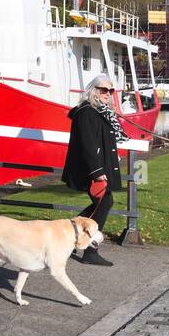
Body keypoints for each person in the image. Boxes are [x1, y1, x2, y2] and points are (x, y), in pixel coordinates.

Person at [62, 75, 126, 266]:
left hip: (100, 166)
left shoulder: (101, 111)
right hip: (91, 169)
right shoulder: (87, 112)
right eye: (103, 89)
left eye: (110, 90)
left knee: (103, 203)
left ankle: (69, 234)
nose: (107, 93)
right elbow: (88, 144)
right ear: (93, 90)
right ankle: (89, 249)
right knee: (105, 202)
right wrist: (97, 171)